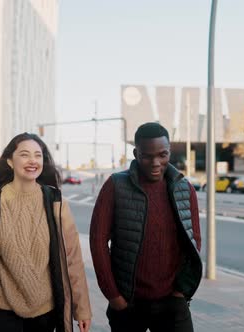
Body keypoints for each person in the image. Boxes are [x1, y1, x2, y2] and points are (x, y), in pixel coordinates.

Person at [0, 132, 92, 332]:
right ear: (10, 162)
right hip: (2, 311)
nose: (32, 161)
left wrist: (82, 310)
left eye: (38, 155)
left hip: (46, 313)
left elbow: (72, 260)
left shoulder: (56, 202)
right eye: (24, 154)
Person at [89, 122, 202, 332]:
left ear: (169, 151)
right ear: (135, 153)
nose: (156, 163)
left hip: (172, 303)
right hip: (128, 303)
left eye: (163, 155)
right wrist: (114, 296)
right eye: (147, 156)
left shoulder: (184, 188)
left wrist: (181, 291)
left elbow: (193, 240)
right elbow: (97, 242)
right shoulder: (115, 186)